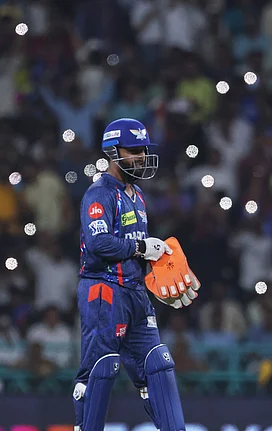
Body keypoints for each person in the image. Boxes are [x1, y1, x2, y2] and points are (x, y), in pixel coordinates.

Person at [73, 118, 189, 431]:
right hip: (104, 289)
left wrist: (160, 266)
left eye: (143, 150)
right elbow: (98, 244)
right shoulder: (99, 194)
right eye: (134, 150)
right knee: (102, 366)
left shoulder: (136, 195)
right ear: (113, 151)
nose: (141, 156)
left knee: (158, 363)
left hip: (136, 292)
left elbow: (138, 250)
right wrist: (142, 247)